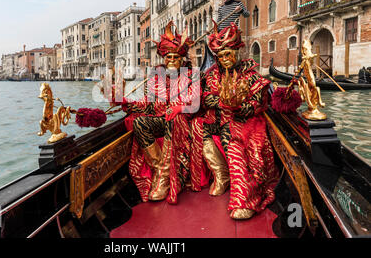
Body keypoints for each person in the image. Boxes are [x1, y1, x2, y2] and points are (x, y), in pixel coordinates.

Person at [192, 21, 280, 220]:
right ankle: (222, 176)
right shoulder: (212, 75)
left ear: (237, 52)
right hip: (218, 117)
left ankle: (244, 198)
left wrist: (238, 105)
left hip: (243, 121)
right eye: (220, 56)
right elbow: (206, 97)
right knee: (198, 126)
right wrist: (225, 102)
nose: (224, 59)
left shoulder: (251, 77)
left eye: (228, 54)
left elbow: (256, 105)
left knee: (232, 136)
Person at [115, 22, 199, 204]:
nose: (171, 60)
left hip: (184, 123)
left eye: (175, 57)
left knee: (173, 118)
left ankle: (162, 180)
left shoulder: (192, 75)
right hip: (162, 120)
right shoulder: (156, 77)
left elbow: (196, 105)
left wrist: (180, 108)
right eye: (168, 57)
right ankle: (162, 171)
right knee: (140, 123)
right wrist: (125, 102)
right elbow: (148, 105)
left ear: (181, 58)